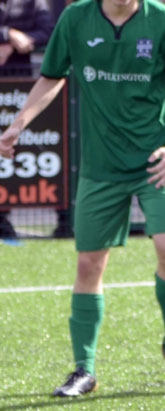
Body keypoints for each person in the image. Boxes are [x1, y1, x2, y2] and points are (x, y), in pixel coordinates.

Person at [0, 0, 165, 397]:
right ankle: (85, 369)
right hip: (100, 166)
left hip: (156, 161)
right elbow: (51, 77)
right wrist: (17, 125)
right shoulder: (75, 18)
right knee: (90, 263)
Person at [0, 0, 65, 239]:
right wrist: (7, 34)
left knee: (24, 154)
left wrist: (14, 44)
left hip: (19, 91)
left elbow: (48, 31)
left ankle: (63, 218)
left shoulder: (32, 2)